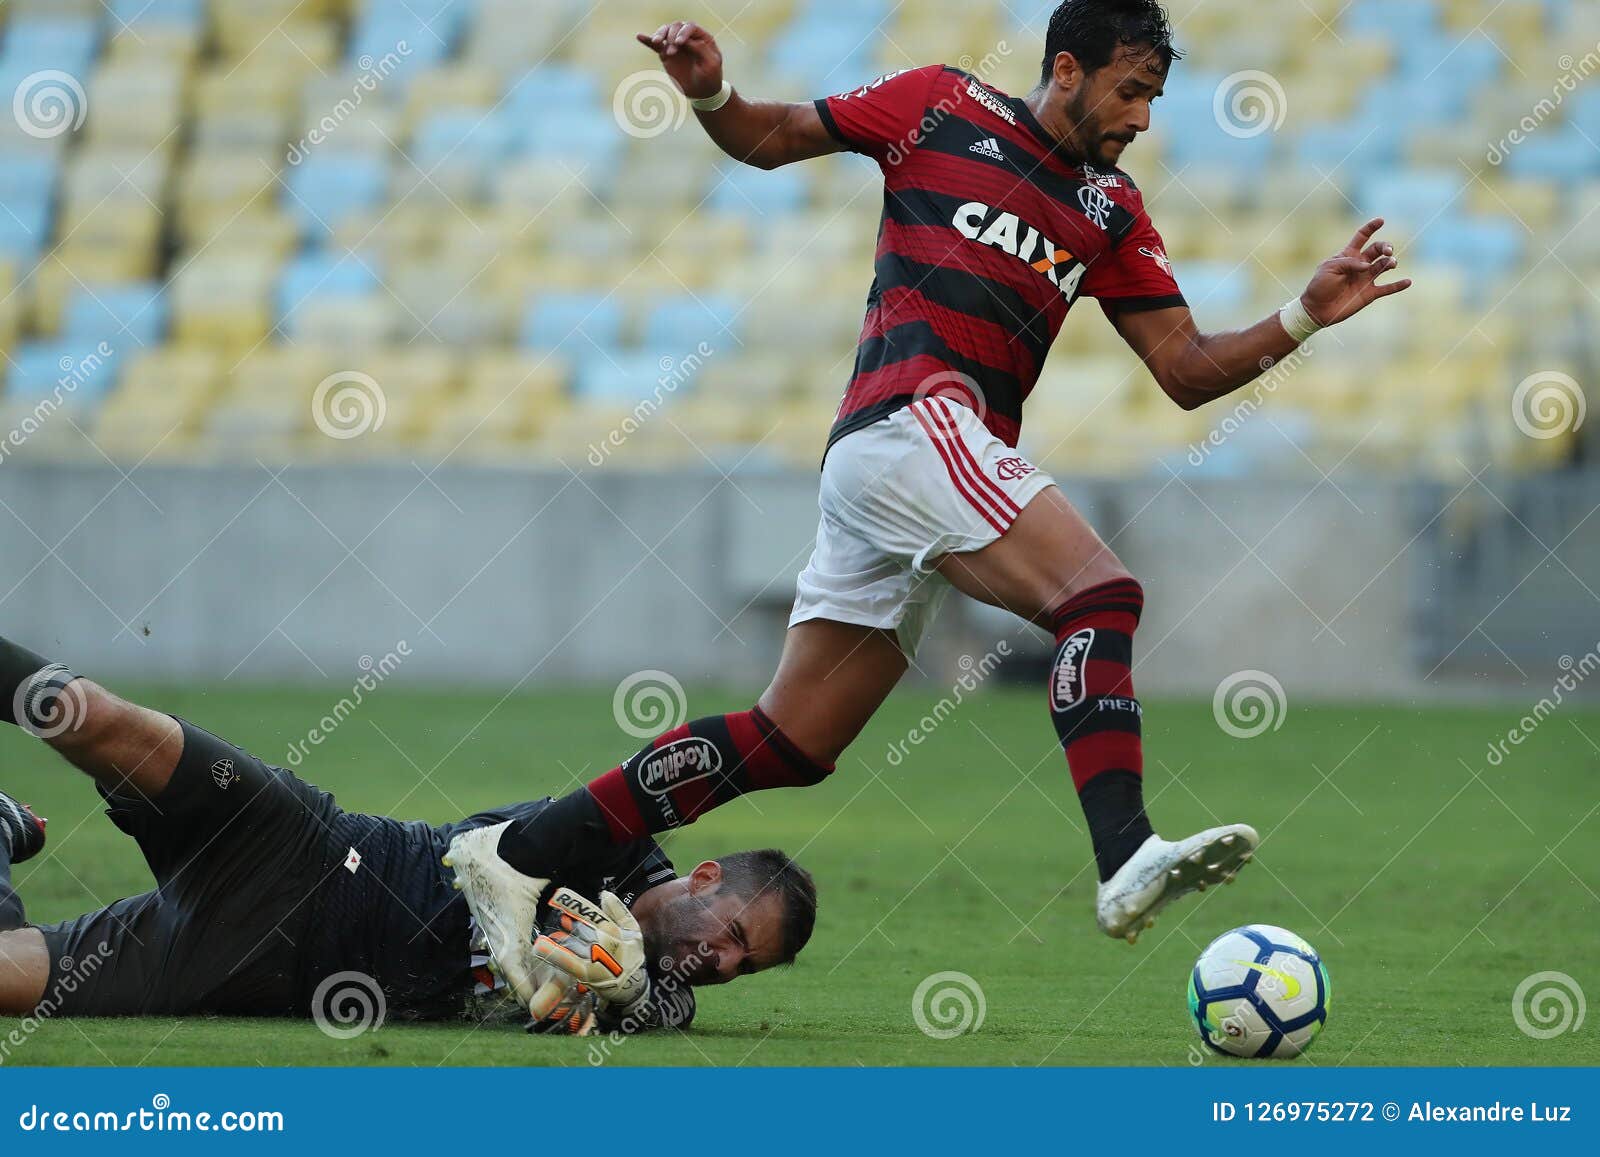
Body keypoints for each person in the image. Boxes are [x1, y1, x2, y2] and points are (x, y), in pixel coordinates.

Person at [450, 0, 1412, 1006]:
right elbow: (769, 138)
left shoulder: (1110, 209)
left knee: (794, 741)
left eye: (1155, 98)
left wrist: (1304, 313)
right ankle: (1124, 850)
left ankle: (518, 850)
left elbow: (1183, 366)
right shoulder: (939, 106)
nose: (1141, 117)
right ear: (1069, 69)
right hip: (909, 424)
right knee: (1100, 595)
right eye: (1131, 91)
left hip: (914, 467)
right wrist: (710, 94)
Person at [0, 634, 816, 1035]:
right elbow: (517, 848)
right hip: (305, 854)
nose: (725, 960)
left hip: (243, 971)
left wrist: (636, 995)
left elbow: (657, 1017)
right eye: (737, 932)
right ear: (704, 876)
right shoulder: (610, 845)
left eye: (748, 966)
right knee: (84, 713)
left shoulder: (654, 1000)